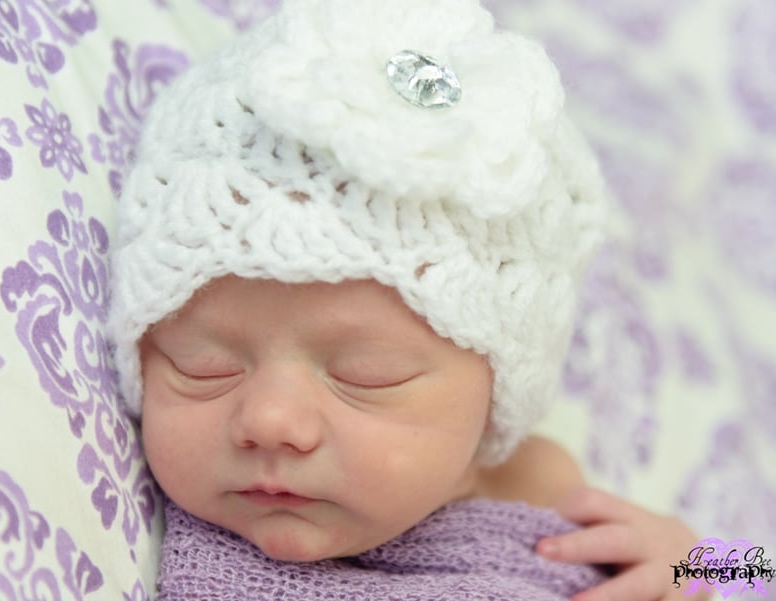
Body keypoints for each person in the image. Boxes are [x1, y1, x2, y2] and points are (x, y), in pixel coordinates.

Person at [107, 0, 707, 599]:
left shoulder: (536, 483)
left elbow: (759, 571)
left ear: (491, 412)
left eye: (367, 376)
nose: (269, 421)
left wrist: (697, 561)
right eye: (202, 366)